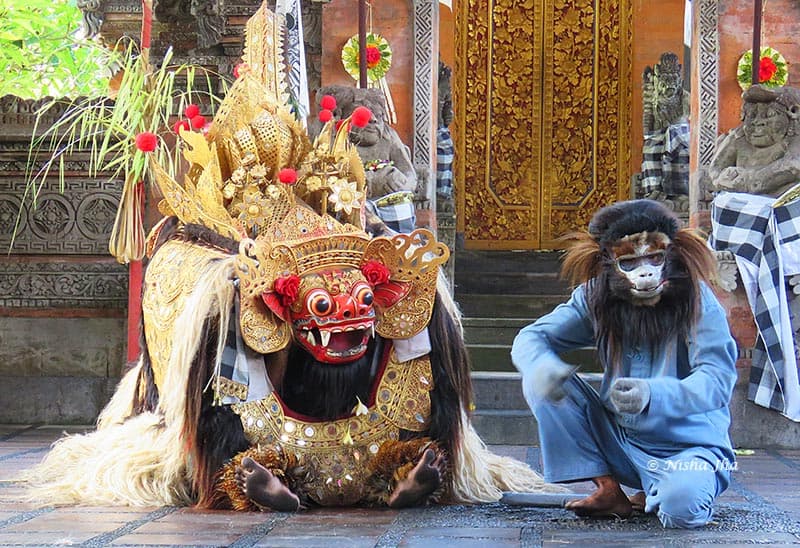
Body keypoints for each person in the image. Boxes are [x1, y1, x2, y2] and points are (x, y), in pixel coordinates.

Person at [511, 199, 738, 529]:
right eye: (630, 262)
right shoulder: (595, 297)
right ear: (607, 263)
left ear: (672, 255)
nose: (645, 271)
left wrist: (652, 395)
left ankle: (662, 491)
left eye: (656, 258)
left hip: (690, 451)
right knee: (540, 380)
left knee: (681, 509)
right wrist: (542, 367)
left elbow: (717, 381)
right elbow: (530, 339)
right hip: (618, 440)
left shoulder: (698, 301)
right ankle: (608, 490)